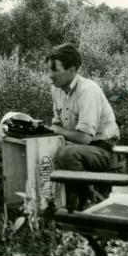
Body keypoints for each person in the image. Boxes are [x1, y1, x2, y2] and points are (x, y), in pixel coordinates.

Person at [46, 44, 120, 209]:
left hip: (102, 149)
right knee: (40, 149)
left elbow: (85, 138)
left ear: (72, 70)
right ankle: (52, 202)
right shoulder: (56, 89)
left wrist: (57, 131)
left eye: (54, 70)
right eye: (48, 70)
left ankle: (83, 202)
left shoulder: (88, 91)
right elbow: (57, 123)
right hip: (76, 146)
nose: (50, 75)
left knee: (67, 154)